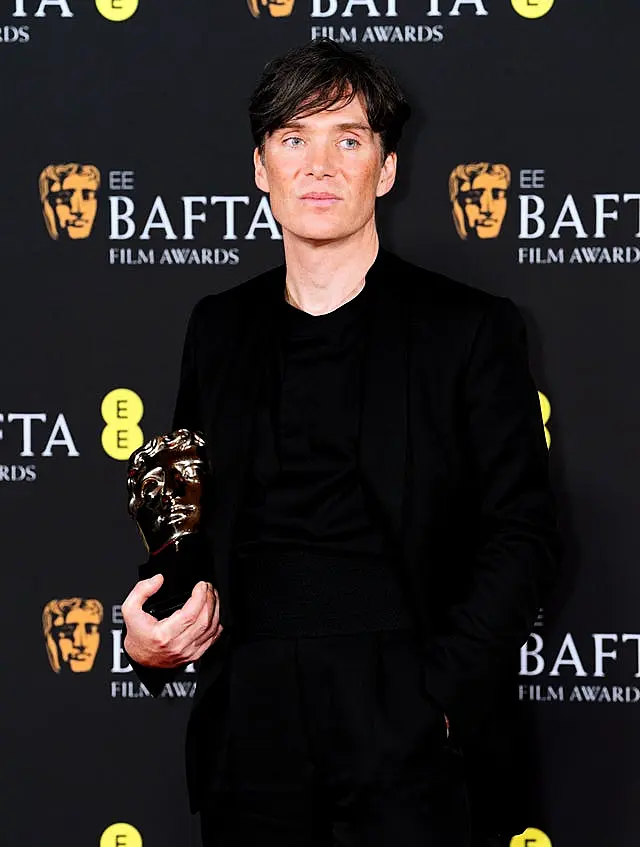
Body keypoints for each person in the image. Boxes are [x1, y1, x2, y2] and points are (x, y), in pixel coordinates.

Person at [121, 39, 561, 847]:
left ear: (385, 170)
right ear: (261, 168)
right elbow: (184, 515)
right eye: (294, 138)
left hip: (405, 708)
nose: (319, 164)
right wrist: (157, 625)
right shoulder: (217, 327)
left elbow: (522, 531)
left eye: (348, 139)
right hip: (249, 716)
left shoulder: (468, 328)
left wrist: (440, 696)